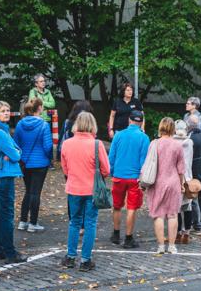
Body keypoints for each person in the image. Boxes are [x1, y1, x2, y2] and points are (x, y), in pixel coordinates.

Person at [59, 111, 109, 271]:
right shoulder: (97, 144)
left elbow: (65, 169)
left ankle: (70, 256)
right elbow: (106, 169)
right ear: (92, 125)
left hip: (74, 188)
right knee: (90, 223)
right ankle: (85, 260)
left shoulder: (67, 144)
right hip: (92, 189)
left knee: (74, 222)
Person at [0, 101, 24, 262]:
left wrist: (14, 152)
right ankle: (10, 252)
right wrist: (14, 153)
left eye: (8, 110)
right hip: (3, 176)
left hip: (0, 174)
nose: (6, 113)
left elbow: (16, 151)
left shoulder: (0, 130)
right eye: (2, 111)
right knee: (7, 215)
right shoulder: (0, 132)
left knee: (1, 214)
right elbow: (17, 155)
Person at [108, 108, 150, 248]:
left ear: (129, 120)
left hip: (119, 176)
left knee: (117, 206)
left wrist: (112, 172)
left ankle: (115, 234)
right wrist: (141, 177)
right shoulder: (144, 138)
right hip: (134, 178)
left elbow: (112, 156)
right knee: (131, 207)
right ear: (141, 122)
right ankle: (128, 238)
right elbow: (144, 160)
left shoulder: (118, 135)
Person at [145, 117, 186, 254]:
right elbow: (181, 169)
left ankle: (161, 246)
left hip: (157, 182)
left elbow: (149, 164)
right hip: (173, 181)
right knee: (173, 215)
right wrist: (182, 184)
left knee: (158, 215)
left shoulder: (154, 144)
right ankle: (172, 246)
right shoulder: (177, 145)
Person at [14, 99, 53, 232]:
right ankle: (33, 223)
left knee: (28, 191)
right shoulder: (44, 125)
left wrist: (21, 158)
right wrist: (49, 158)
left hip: (25, 163)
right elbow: (48, 147)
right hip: (40, 163)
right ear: (40, 108)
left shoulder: (19, 124)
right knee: (36, 193)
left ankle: (22, 221)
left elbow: (16, 144)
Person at [28, 74, 59, 159]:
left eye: (44, 81)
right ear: (36, 84)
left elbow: (53, 104)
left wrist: (41, 103)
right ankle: (37, 158)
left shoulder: (48, 91)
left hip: (47, 120)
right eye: (41, 81)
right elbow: (33, 103)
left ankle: (49, 161)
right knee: (37, 140)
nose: (43, 83)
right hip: (36, 120)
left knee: (47, 141)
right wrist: (44, 103)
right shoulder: (33, 91)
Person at [174, 120, 194, 243]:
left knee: (176, 208)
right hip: (188, 177)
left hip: (176, 177)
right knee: (187, 207)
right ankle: (186, 233)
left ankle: (177, 233)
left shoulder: (172, 143)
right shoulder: (190, 142)